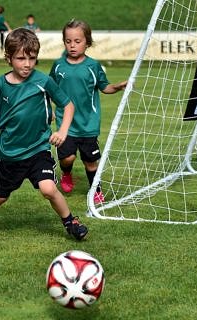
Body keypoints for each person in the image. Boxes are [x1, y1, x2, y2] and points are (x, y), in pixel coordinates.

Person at [0, 28, 88, 241]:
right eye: (21, 58)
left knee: (48, 189)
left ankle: (71, 222)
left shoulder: (43, 81)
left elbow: (68, 105)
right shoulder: (0, 84)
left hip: (38, 149)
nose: (27, 64)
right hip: (9, 153)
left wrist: (62, 131)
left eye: (32, 58)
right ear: (9, 58)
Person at [49, 19, 127, 204]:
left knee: (90, 162)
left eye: (77, 41)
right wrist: (48, 109)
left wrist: (116, 86)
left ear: (87, 42)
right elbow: (50, 88)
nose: (73, 45)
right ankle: (66, 173)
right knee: (68, 158)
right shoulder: (58, 66)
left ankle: (96, 190)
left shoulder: (93, 66)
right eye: (68, 41)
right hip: (65, 124)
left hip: (88, 123)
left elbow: (104, 87)